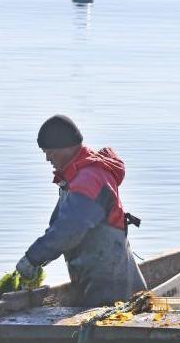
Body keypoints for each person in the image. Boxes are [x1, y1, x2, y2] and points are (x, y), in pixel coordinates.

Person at [15, 115, 147, 307]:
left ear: (65, 147)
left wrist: (33, 258)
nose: (47, 158)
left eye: (49, 151)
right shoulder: (74, 177)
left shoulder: (89, 179)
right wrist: (38, 259)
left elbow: (68, 231)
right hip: (98, 283)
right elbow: (57, 226)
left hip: (112, 289)